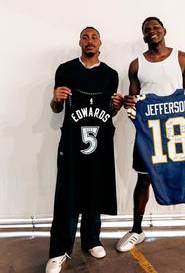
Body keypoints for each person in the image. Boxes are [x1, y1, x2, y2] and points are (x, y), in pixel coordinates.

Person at [116, 17, 185, 263]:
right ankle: (137, 230)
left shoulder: (182, 58)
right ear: (143, 36)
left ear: (164, 31)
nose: (151, 31)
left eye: (155, 27)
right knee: (143, 181)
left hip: (176, 133)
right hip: (150, 134)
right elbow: (133, 102)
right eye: (146, 30)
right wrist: (128, 101)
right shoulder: (136, 65)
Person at [46, 27, 123, 273]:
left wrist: (116, 106)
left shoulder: (111, 74)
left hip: (98, 146)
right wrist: (55, 99)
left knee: (94, 191)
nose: (89, 41)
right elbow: (58, 109)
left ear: (101, 43)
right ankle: (59, 251)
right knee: (67, 196)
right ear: (79, 42)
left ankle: (92, 240)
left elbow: (109, 112)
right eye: (85, 37)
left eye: (94, 37)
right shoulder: (65, 70)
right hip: (70, 145)